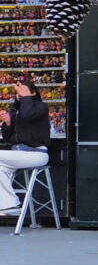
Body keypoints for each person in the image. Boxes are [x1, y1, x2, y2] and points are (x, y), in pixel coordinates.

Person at [0, 78, 49, 216]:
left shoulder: (41, 107)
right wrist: (8, 123)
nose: (19, 95)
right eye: (18, 93)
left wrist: (25, 97)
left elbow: (28, 115)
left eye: (23, 92)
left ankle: (10, 203)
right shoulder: (15, 111)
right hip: (18, 153)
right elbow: (8, 139)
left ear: (32, 93)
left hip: (36, 153)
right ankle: (9, 204)